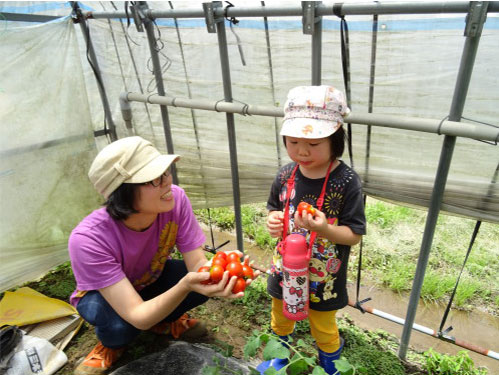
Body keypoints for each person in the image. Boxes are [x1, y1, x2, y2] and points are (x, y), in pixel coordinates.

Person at [68, 136, 254, 375]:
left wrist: (224, 269)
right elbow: (138, 315)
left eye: (166, 172)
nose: (167, 181)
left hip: (147, 279)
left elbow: (198, 264)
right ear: (122, 192)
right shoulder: (88, 239)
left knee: (197, 284)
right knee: (120, 325)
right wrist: (185, 286)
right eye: (154, 179)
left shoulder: (176, 199)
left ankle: (161, 321)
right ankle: (111, 345)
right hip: (102, 294)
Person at [257, 86, 366, 375]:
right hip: (285, 268)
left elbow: (354, 234)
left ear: (336, 139)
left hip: (323, 277)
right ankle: (279, 355)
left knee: (323, 324)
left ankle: (331, 365)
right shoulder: (285, 174)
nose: (302, 151)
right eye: (293, 142)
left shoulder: (345, 181)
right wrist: (274, 220)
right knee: (280, 315)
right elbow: (274, 208)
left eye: (314, 144)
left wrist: (325, 229)